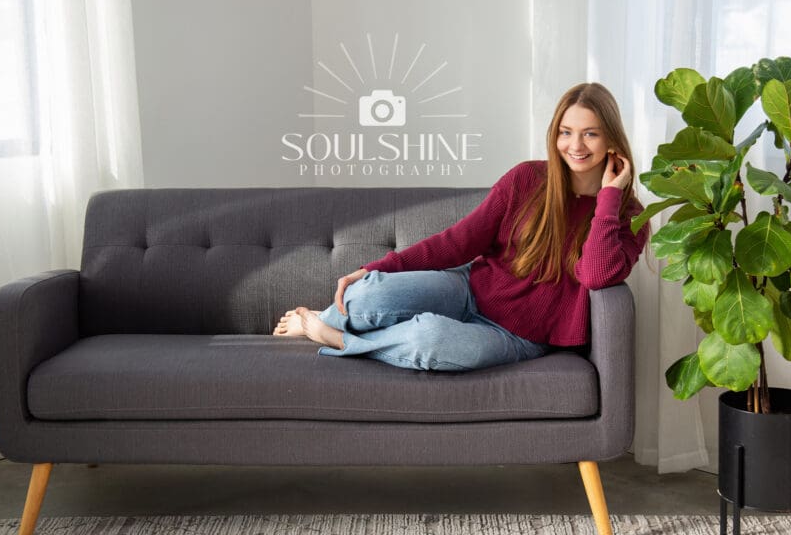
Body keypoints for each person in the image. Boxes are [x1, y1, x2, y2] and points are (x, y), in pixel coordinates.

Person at [273, 82, 649, 371]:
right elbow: (458, 242)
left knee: (430, 339)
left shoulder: (629, 216)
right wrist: (376, 268)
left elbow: (596, 275)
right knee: (369, 293)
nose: (575, 145)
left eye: (590, 133)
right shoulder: (527, 179)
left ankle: (330, 336)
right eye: (566, 131)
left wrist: (609, 199)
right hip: (466, 290)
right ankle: (321, 319)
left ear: (611, 139)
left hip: (516, 337)